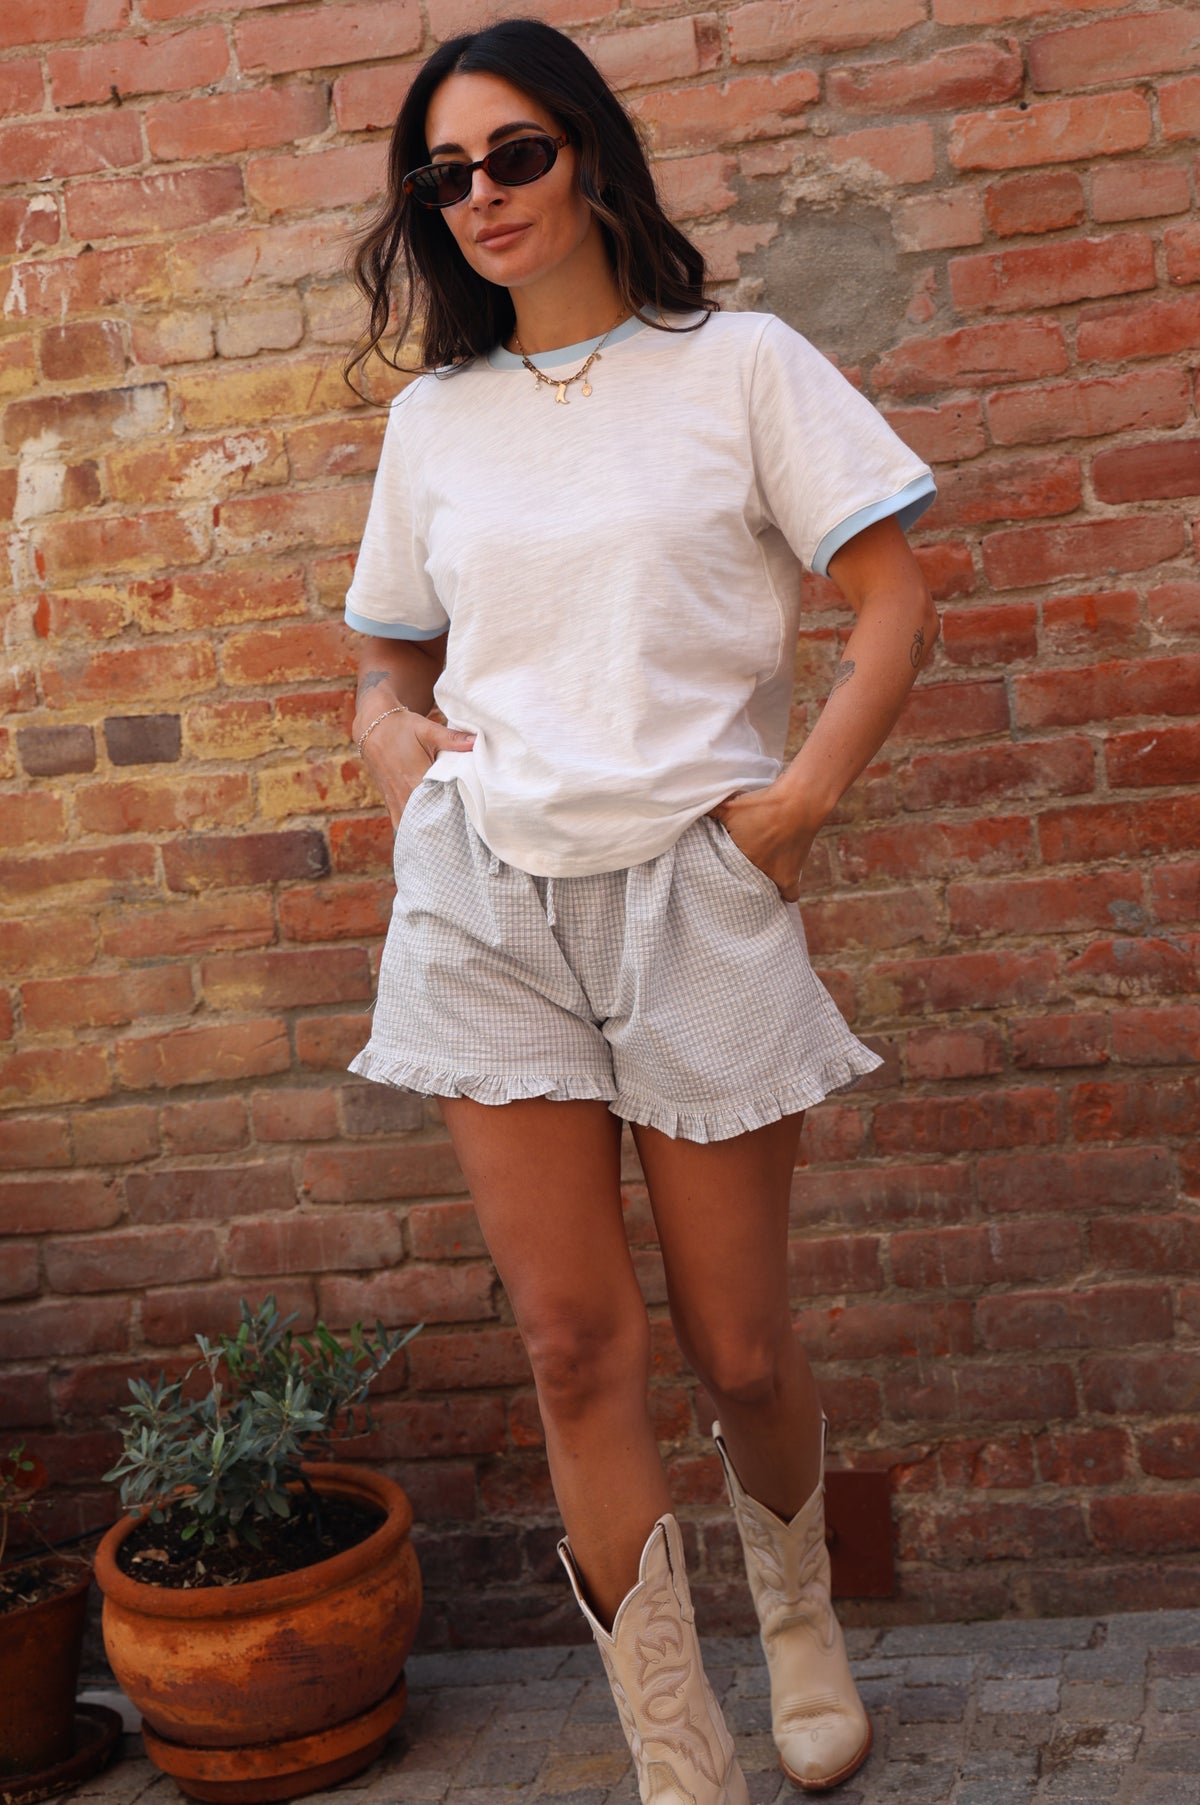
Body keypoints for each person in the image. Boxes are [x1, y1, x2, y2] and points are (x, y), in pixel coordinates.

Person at [343, 18, 938, 1800]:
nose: (481, 196)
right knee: (571, 1344)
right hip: (486, 903)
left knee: (739, 1343)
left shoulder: (739, 366)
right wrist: (390, 742)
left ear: (590, 155)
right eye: (444, 176)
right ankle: (680, 1750)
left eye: (514, 154)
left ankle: (800, 1619)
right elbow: (389, 655)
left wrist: (799, 803)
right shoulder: (434, 421)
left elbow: (894, 597)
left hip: (693, 890)